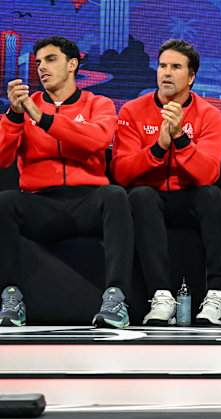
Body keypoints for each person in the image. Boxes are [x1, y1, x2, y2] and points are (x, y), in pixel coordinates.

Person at [0, 36, 133, 328]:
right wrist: (13, 116)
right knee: (5, 201)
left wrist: (43, 118)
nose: (41, 69)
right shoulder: (25, 107)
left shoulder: (99, 103)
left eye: (50, 60)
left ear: (72, 64)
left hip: (86, 203)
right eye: (37, 63)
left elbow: (97, 140)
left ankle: (115, 298)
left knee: (115, 195)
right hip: (41, 204)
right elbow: (1, 157)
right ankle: (10, 296)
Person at [111, 39, 221, 326]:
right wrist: (158, 148)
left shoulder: (209, 115)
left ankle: (218, 296)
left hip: (190, 196)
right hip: (150, 199)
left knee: (213, 195)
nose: (166, 73)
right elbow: (121, 172)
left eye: (176, 67)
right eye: (162, 66)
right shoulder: (132, 111)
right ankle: (161, 297)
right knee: (139, 195)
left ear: (191, 77)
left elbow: (208, 174)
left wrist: (180, 139)